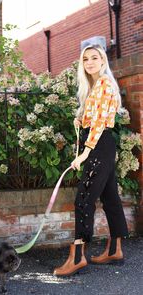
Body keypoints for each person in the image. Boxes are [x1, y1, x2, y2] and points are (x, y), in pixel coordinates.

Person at [53, 43, 129, 276]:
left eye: (94, 58)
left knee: (83, 200)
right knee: (110, 199)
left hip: (98, 146)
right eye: (85, 59)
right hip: (100, 144)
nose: (89, 62)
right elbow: (95, 118)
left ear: (103, 61)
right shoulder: (93, 86)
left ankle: (77, 256)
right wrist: (80, 120)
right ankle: (115, 249)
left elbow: (99, 125)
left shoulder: (105, 83)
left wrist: (85, 153)